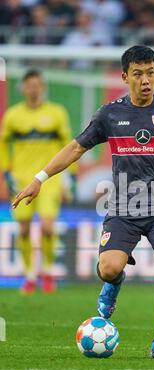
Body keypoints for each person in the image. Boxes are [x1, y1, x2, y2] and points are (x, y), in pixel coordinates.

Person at [12, 46, 154, 359]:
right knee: (107, 268)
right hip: (123, 208)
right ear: (124, 77)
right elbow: (75, 149)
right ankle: (114, 283)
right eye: (139, 73)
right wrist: (39, 178)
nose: (146, 80)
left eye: (151, 72)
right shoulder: (110, 114)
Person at [0, 69, 76, 294]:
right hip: (21, 179)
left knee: (47, 226)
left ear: (43, 87)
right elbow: (3, 145)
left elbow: (71, 146)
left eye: (37, 85)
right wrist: (6, 173)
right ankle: (30, 276)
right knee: (23, 230)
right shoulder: (13, 116)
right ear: (23, 88)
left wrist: (70, 176)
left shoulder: (56, 113)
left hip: (49, 179)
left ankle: (49, 272)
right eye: (29, 85)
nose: (33, 89)